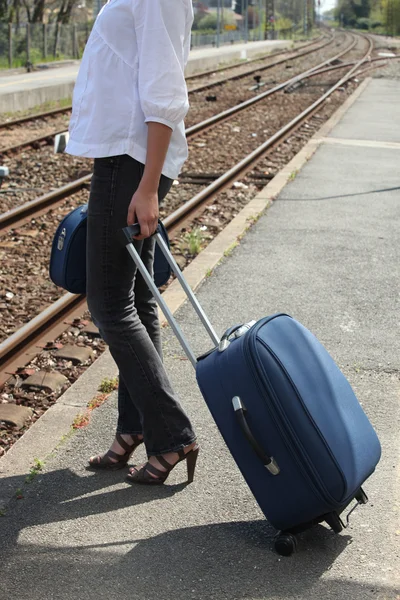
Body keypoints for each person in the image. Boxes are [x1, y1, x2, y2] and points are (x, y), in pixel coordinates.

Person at [65, 0, 198, 485]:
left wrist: (147, 187)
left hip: (133, 160)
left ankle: (174, 435)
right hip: (126, 157)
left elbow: (165, 88)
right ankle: (135, 428)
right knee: (137, 302)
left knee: (108, 303)